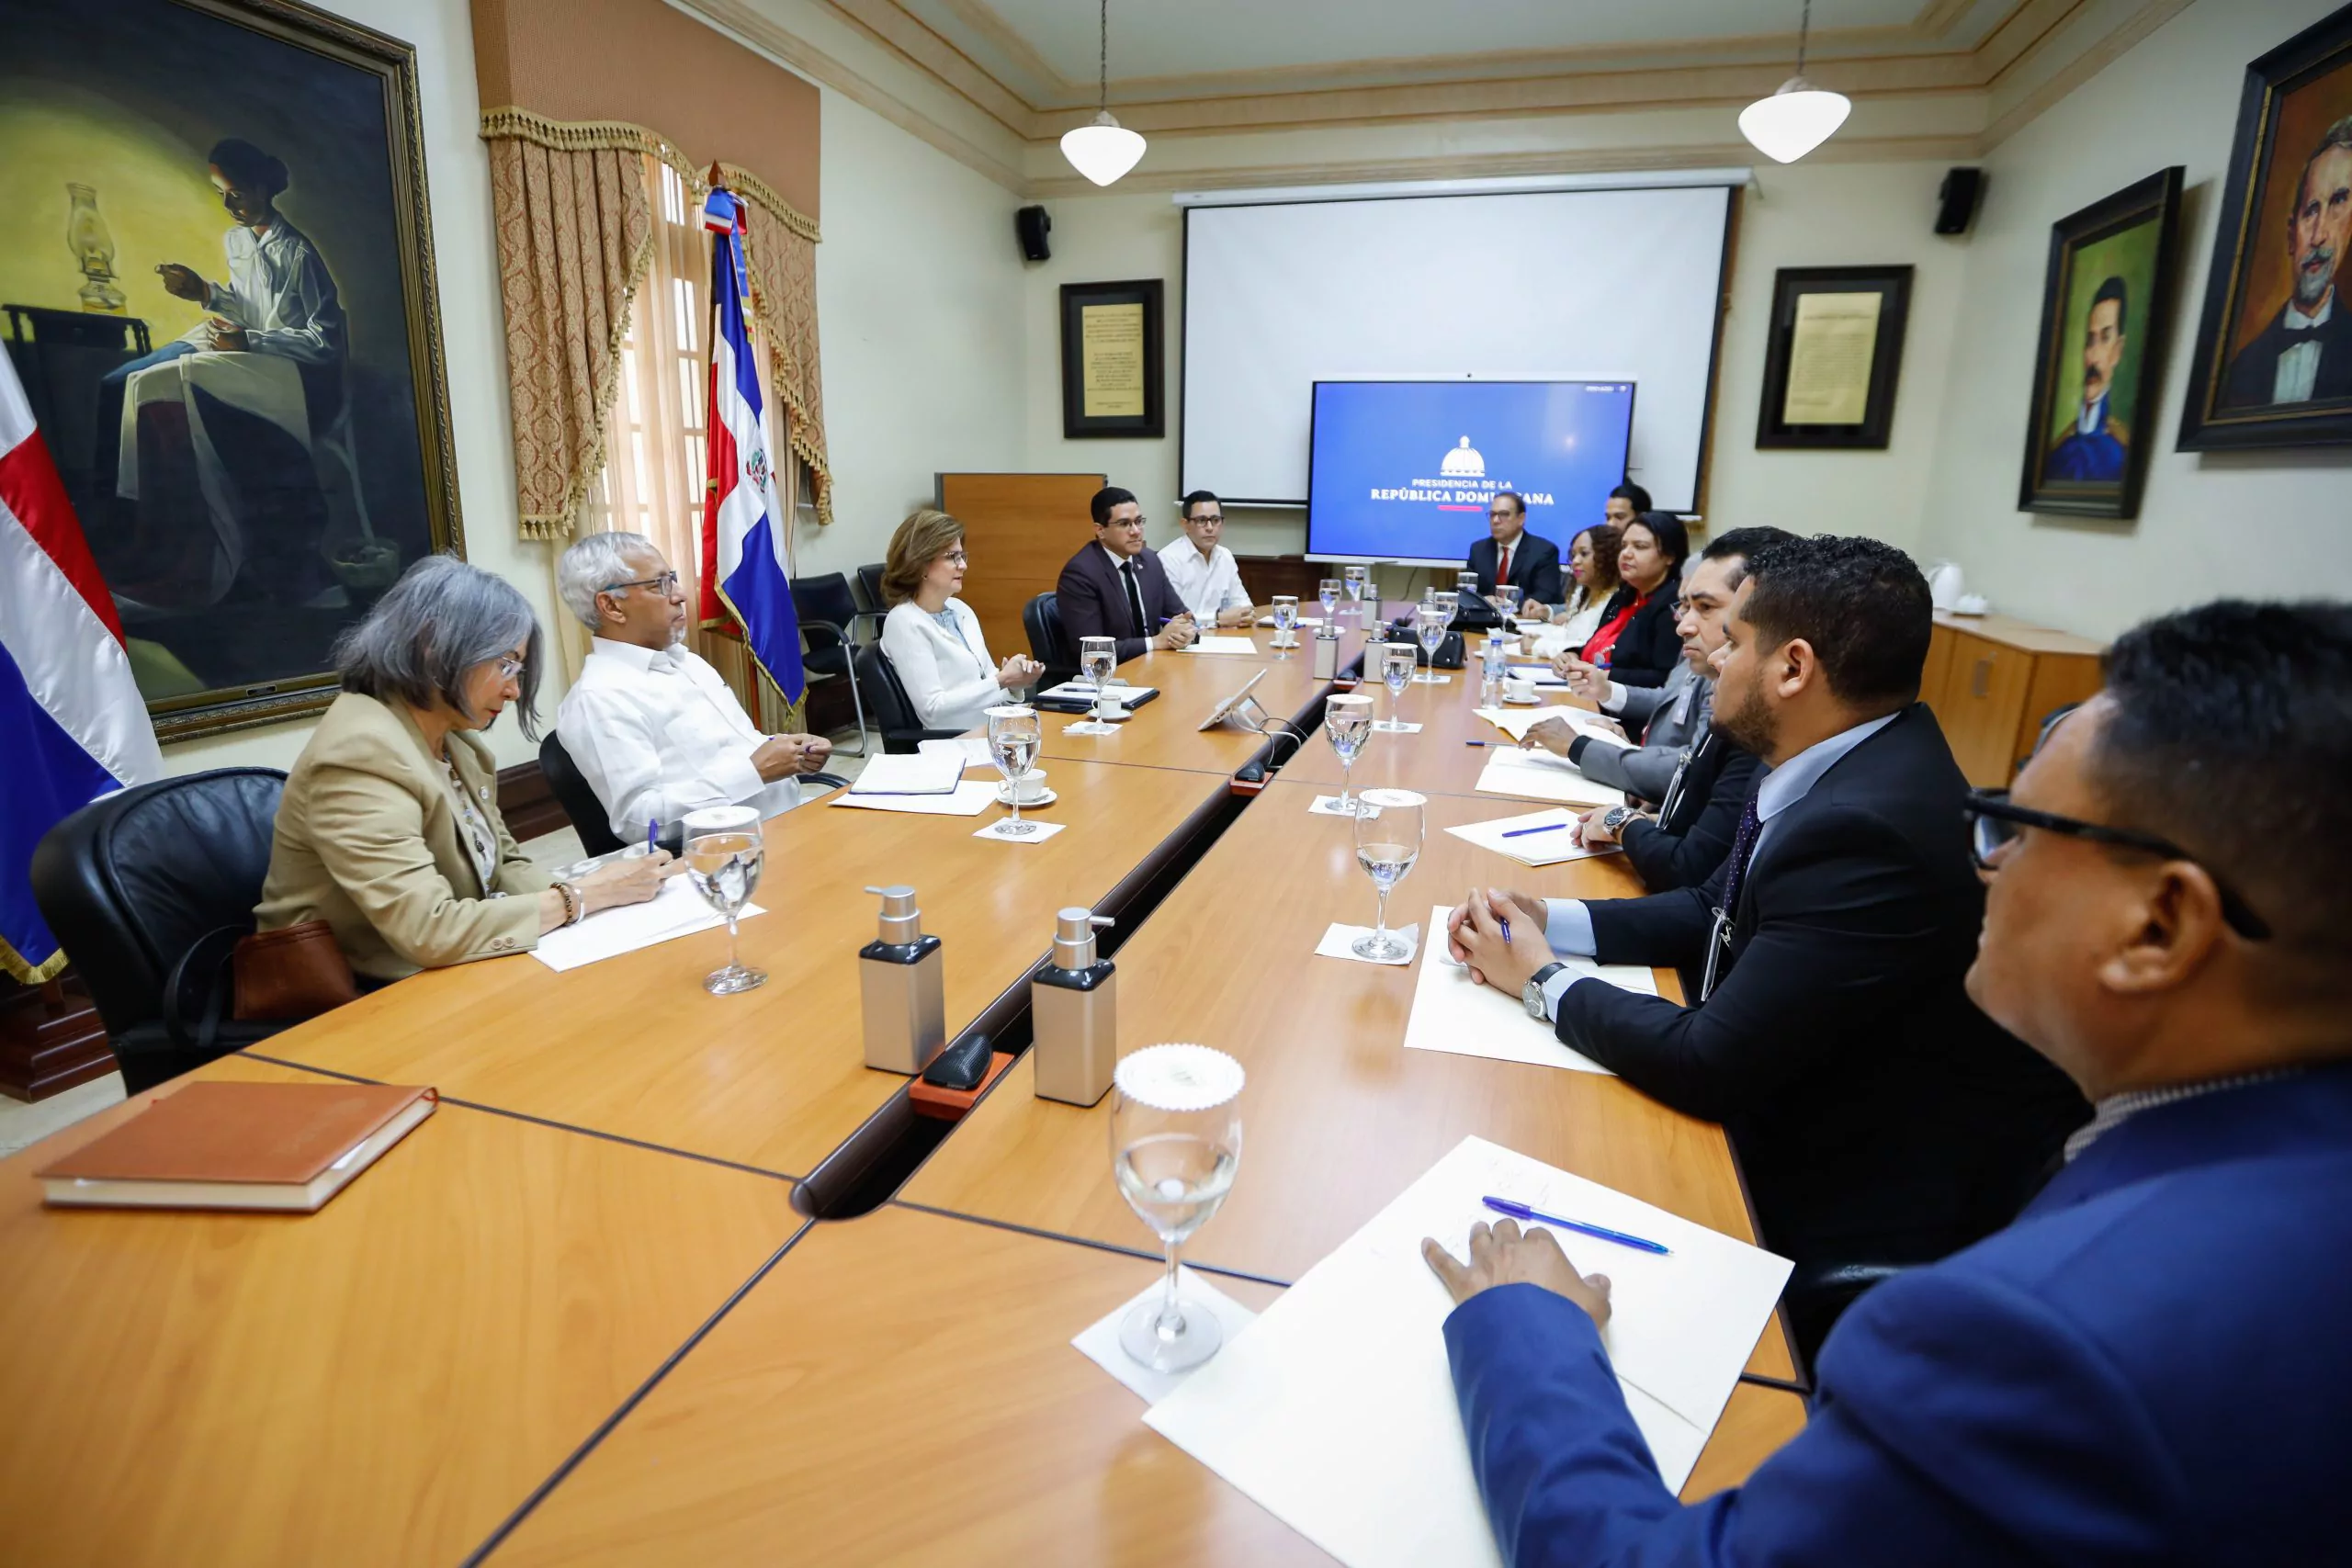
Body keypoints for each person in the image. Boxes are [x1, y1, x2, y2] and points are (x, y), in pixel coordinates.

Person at [1424, 599, 2352, 1566]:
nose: (1983, 871)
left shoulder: (2043, 1339)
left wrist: (1529, 1327)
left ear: (2158, 928)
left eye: (2011, 829)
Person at [1446, 536, 2085, 1302]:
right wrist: (1549, 915)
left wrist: (1539, 978)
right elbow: (1711, 906)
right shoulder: (1835, 753)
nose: (1715, 660)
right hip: (1782, 1090)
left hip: (1820, 1185)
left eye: (1735, 641)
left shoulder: (1865, 827)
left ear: (1793, 668)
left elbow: (1708, 1061)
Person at [254, 557, 671, 979]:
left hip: (436, 969)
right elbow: (428, 930)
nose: (514, 691)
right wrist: (580, 897)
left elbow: (505, 865)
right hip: (351, 994)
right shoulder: (359, 756)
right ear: (433, 647)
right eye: (505, 665)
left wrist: (598, 902)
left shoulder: (458, 743)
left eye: (519, 670)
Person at [96, 137, 363, 609]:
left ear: (262, 188)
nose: (228, 205)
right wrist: (204, 292)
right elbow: (248, 305)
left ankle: (191, 545)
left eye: (236, 193)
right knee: (124, 381)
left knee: (175, 382)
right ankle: (128, 526)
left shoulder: (298, 254)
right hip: (247, 347)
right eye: (221, 194)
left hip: (289, 368)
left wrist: (251, 341)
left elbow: (324, 340)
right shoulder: (236, 240)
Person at [1532, 526, 1790, 890]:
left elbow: (1689, 870)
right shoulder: (1692, 651)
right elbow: (1672, 702)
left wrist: (1586, 755)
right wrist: (1608, 693)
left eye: (1704, 607)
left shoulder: (1749, 726)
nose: (1683, 624)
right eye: (1683, 606)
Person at [553, 532, 832, 841]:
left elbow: (727, 749)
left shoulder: (687, 662)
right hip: (735, 851)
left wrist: (789, 751)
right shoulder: (600, 697)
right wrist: (755, 772)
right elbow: (640, 822)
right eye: (659, 585)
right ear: (612, 606)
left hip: (791, 816)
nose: (680, 594)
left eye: (671, 578)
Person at [2222, 115, 2352, 408]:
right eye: (2311, 210)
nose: (2318, 236)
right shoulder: (2240, 369)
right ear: (2292, 235)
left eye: (2338, 202)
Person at [877, 508, 1041, 731]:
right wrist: (1001, 680)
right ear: (921, 564)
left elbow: (986, 679)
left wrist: (1014, 682)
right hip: (953, 741)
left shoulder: (960, 609)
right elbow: (933, 711)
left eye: (962, 556)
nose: (963, 565)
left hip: (991, 729)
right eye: (951, 557)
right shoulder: (904, 622)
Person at [1056, 486, 1197, 662]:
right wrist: (1155, 642)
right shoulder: (1081, 573)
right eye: (1124, 524)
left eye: (1139, 521)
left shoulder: (1150, 560)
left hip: (1154, 663)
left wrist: (1185, 632)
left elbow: (1181, 616)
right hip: (1111, 672)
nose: (1136, 531)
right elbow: (1091, 650)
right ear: (1100, 530)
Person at [1569, 511, 1685, 687]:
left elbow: (1665, 678)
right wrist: (1572, 655)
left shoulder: (1674, 605)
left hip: (1628, 702)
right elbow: (1601, 646)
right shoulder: (1625, 595)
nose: (1626, 554)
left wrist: (1603, 675)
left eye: (1639, 547)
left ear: (1670, 556)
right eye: (1624, 546)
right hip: (1592, 692)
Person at [2044, 276, 2132, 483]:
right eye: (2090, 340)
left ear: (2118, 351)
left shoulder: (2120, 451)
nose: (2093, 356)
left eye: (2105, 338)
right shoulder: (2060, 447)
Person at [1157, 491, 1256, 628]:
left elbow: (1244, 605)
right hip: (1186, 639)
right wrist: (1217, 619)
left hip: (1224, 636)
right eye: (1201, 521)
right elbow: (1175, 619)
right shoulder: (1168, 559)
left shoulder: (1225, 556)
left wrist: (1246, 615)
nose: (1210, 528)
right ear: (1185, 524)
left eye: (1215, 520)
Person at [1464, 492, 1563, 612]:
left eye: (1504, 514)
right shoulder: (1478, 550)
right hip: (1485, 620)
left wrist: (1505, 603)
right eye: (1492, 514)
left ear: (1521, 519)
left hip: (1524, 620)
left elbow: (1546, 595)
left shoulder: (1544, 551)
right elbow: (1467, 593)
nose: (1495, 520)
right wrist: (1483, 601)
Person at [1551, 522, 1623, 648]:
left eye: (1584, 554)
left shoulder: (1616, 601)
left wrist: (1538, 646)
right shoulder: (1582, 593)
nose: (1575, 561)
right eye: (1573, 555)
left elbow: (1586, 648)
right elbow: (1569, 635)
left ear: (1607, 556)